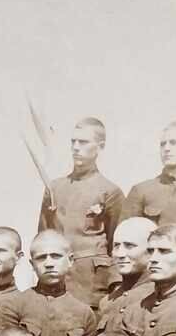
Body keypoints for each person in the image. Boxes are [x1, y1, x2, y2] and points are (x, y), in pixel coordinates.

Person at [36, 117, 124, 309]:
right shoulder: (54, 188)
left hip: (91, 286)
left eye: (83, 142)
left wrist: (116, 288)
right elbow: (42, 238)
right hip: (55, 282)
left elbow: (117, 245)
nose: (76, 147)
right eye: (73, 142)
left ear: (100, 147)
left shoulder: (110, 191)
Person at [98, 215, 157, 329]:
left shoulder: (161, 297)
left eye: (129, 246)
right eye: (116, 246)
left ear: (151, 250)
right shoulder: (107, 302)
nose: (120, 254)